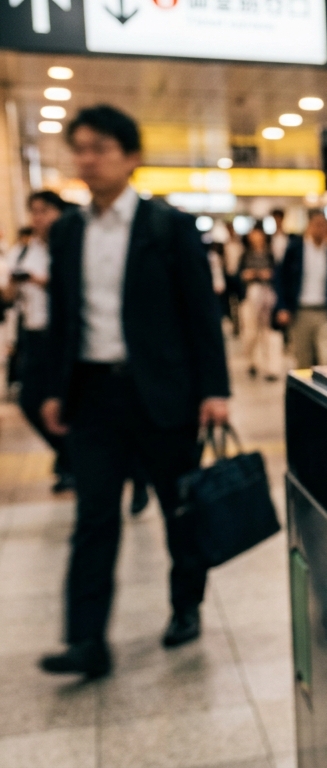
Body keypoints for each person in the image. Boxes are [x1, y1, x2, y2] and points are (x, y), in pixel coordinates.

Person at [37, 105, 231, 677]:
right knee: (94, 516)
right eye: (80, 148)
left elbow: (202, 315)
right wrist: (53, 387)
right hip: (95, 394)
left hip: (163, 394)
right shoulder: (69, 231)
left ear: (130, 157)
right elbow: (61, 317)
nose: (86, 159)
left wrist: (214, 390)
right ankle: (86, 640)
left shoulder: (166, 226)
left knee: (178, 509)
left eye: (98, 148)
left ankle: (186, 606)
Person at [1, 191, 74, 492]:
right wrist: (15, 285)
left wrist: (39, 281)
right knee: (30, 401)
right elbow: (8, 297)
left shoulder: (69, 247)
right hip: (33, 336)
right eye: (34, 212)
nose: (38, 218)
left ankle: (75, 461)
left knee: (70, 403)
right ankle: (67, 454)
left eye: (44, 211)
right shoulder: (23, 252)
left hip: (65, 336)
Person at [274, 209, 327, 370]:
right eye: (317, 224)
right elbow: (281, 278)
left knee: (326, 357)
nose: (320, 229)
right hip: (301, 310)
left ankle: (324, 392)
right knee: (303, 358)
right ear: (309, 226)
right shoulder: (296, 248)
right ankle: (305, 394)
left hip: (325, 311)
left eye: (323, 225)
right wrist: (283, 306)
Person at [237, 224, 283, 381]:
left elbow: (277, 273)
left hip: (268, 293)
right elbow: (237, 275)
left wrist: (268, 275)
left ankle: (271, 367)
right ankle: (253, 362)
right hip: (250, 294)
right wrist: (247, 275)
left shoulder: (270, 254)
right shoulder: (245, 255)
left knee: (268, 332)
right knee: (251, 332)